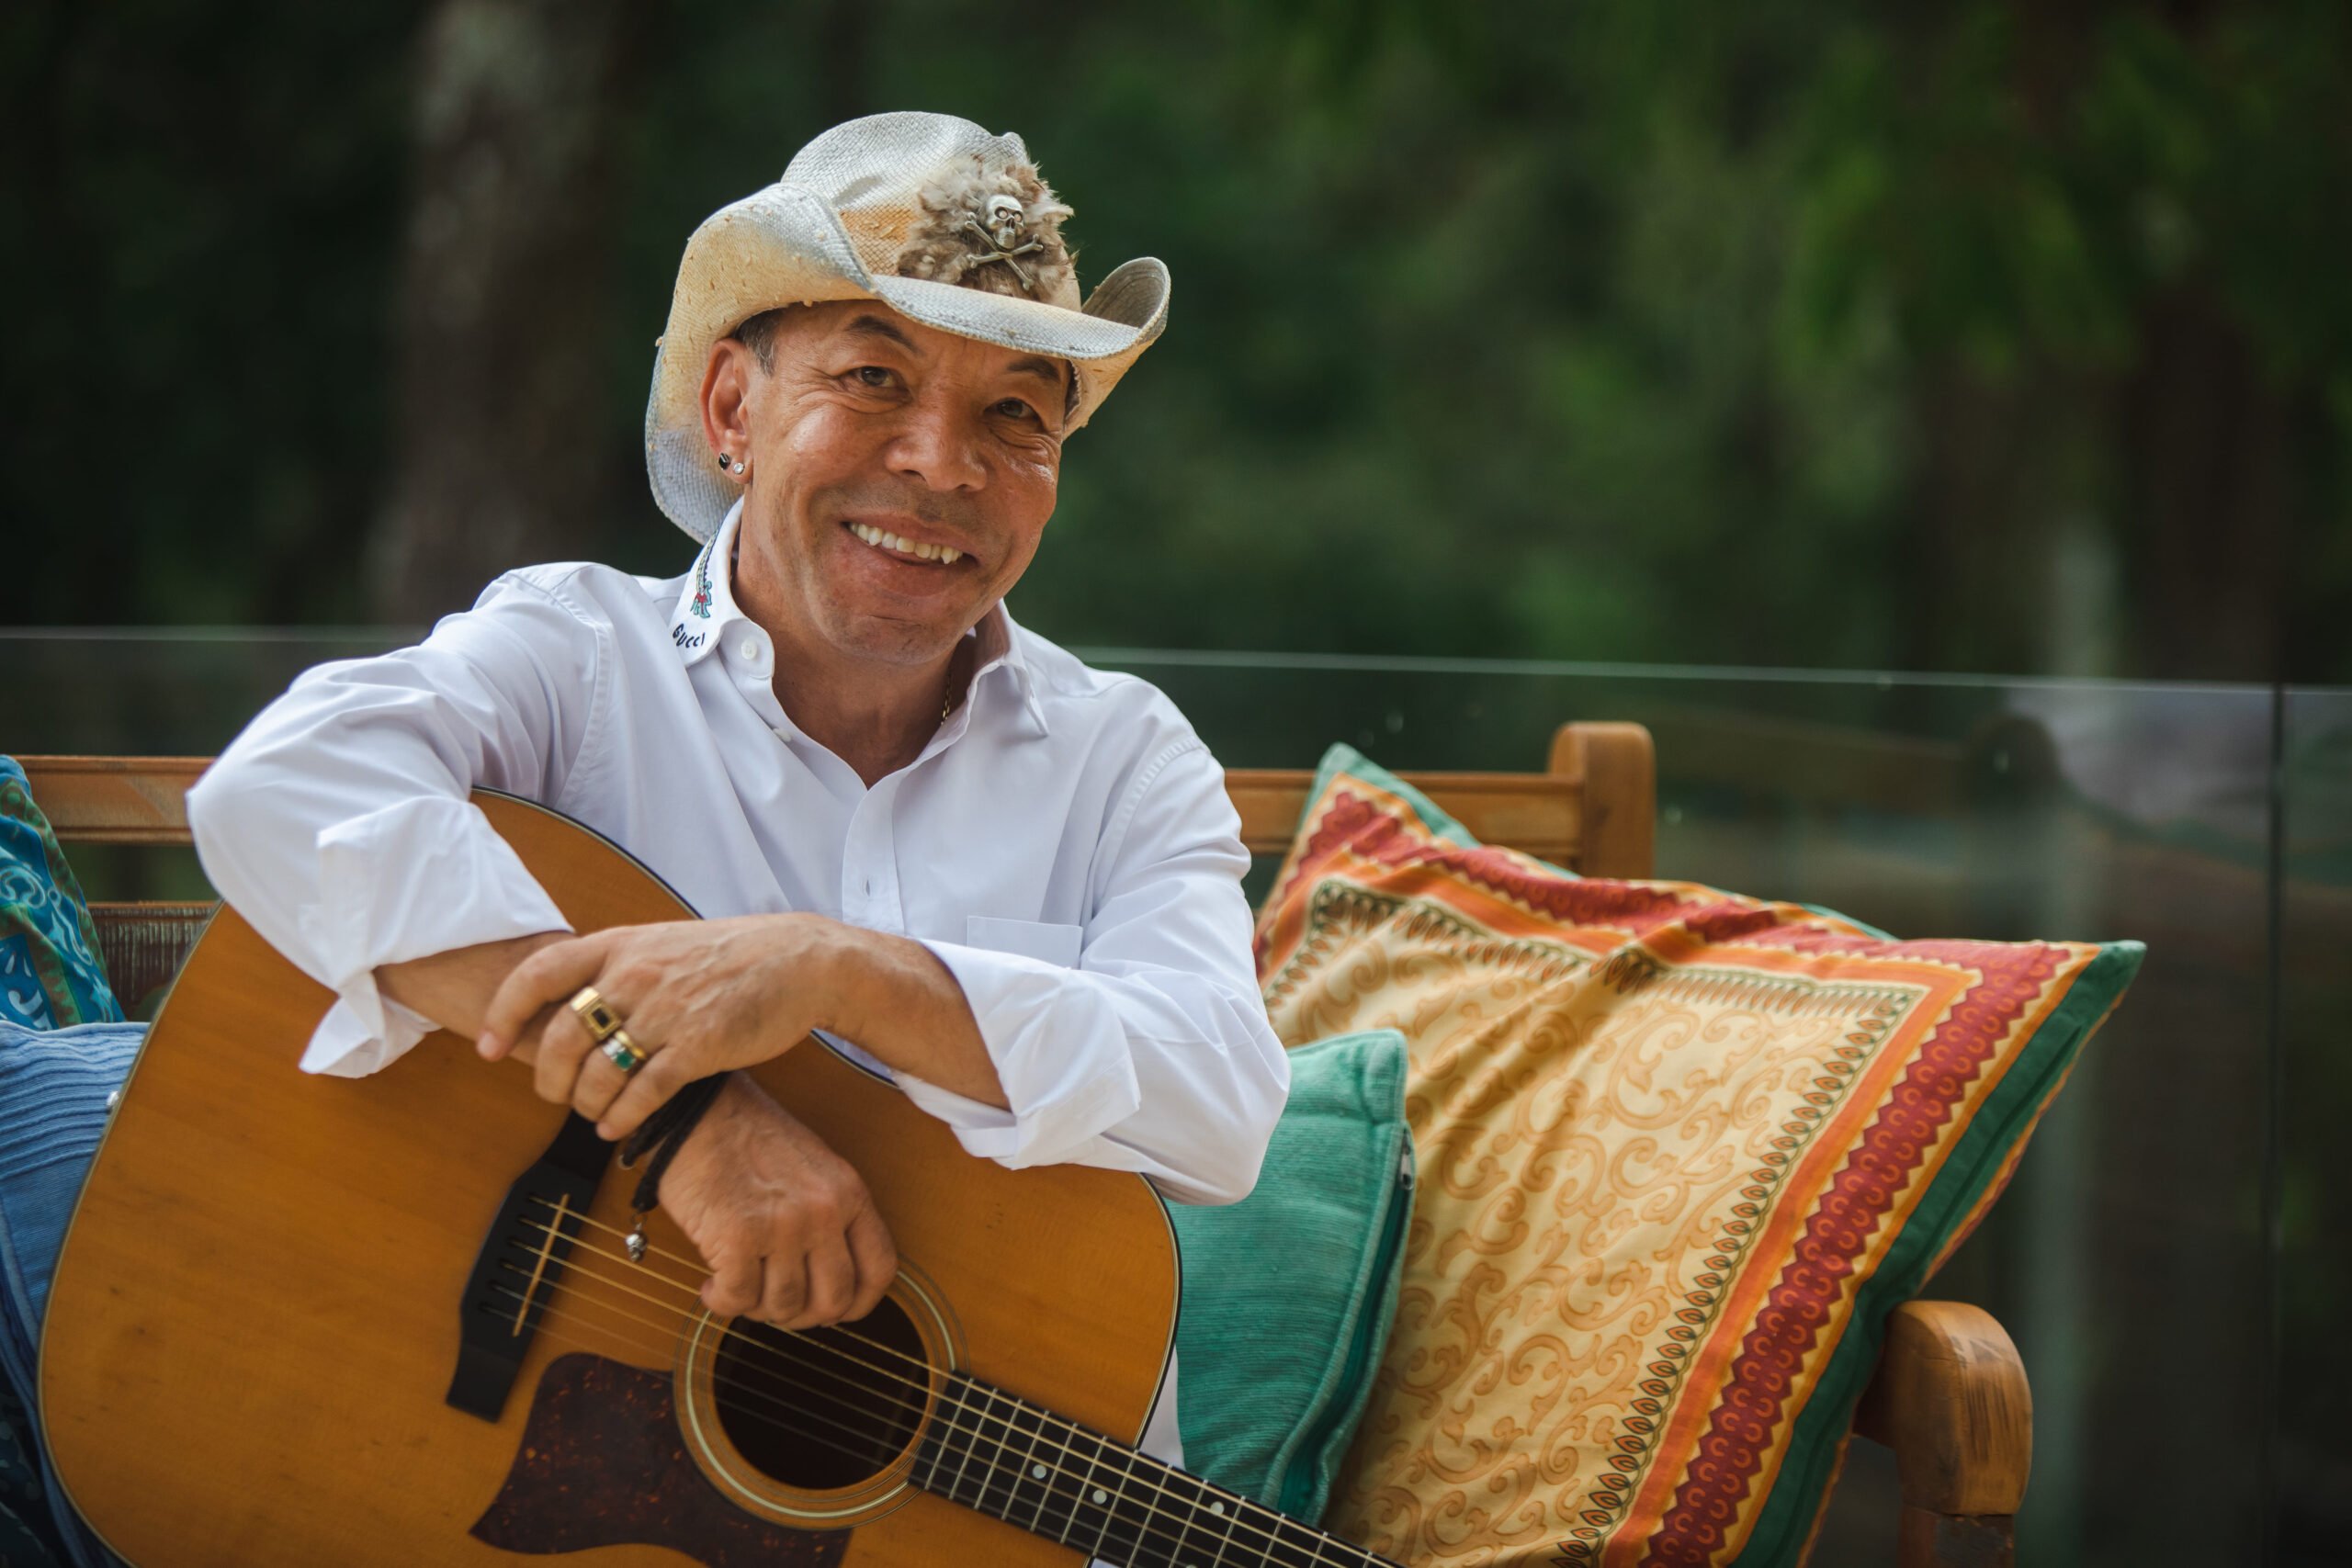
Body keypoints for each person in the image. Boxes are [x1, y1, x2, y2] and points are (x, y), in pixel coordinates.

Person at [6, 111, 1289, 1562]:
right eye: (875, 378)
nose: (943, 466)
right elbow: (285, 791)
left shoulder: (1126, 756)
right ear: (733, 412)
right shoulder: (571, 658)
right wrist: (683, 1117)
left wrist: (830, 973)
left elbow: (1219, 1107)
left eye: (1019, 415)